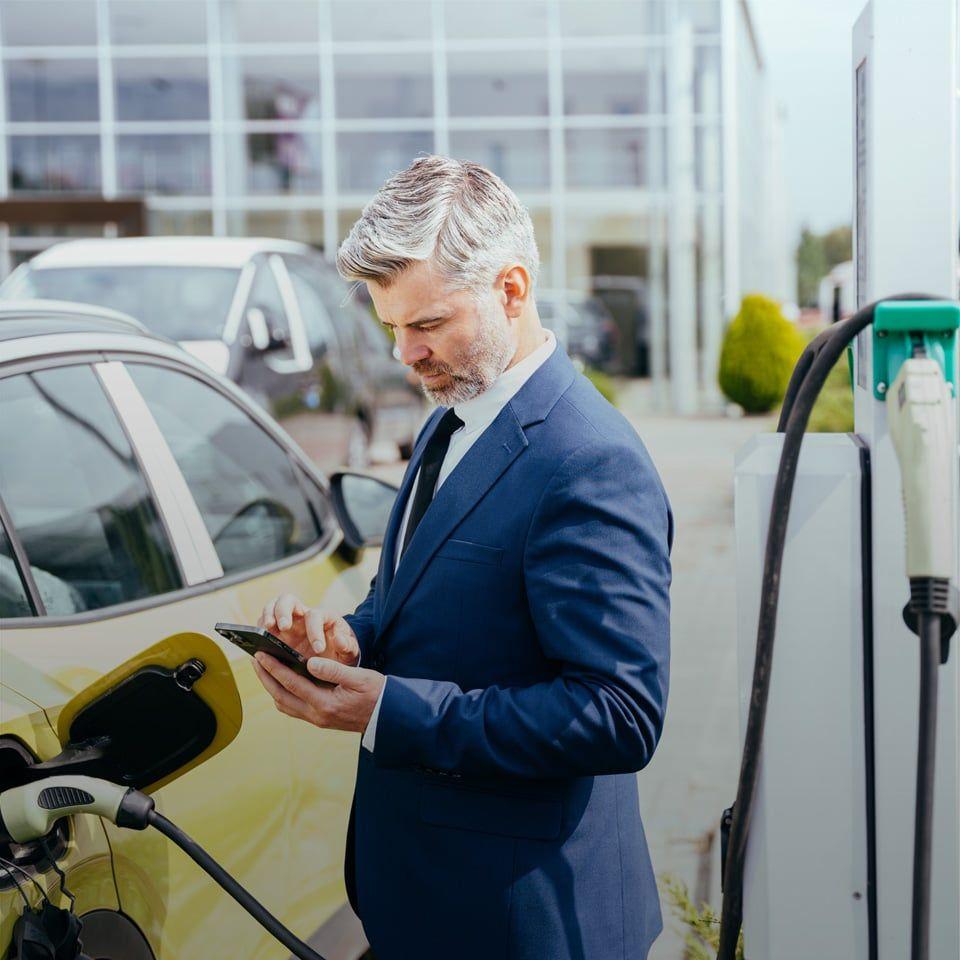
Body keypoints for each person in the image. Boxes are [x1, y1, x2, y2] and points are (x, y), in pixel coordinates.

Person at [252, 155, 673, 960]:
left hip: (527, 924)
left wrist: (388, 712)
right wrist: (351, 638)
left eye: (428, 323)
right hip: (425, 901)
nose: (405, 355)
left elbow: (620, 714)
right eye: (391, 328)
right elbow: (410, 597)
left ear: (511, 290)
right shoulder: (452, 417)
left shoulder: (591, 461)